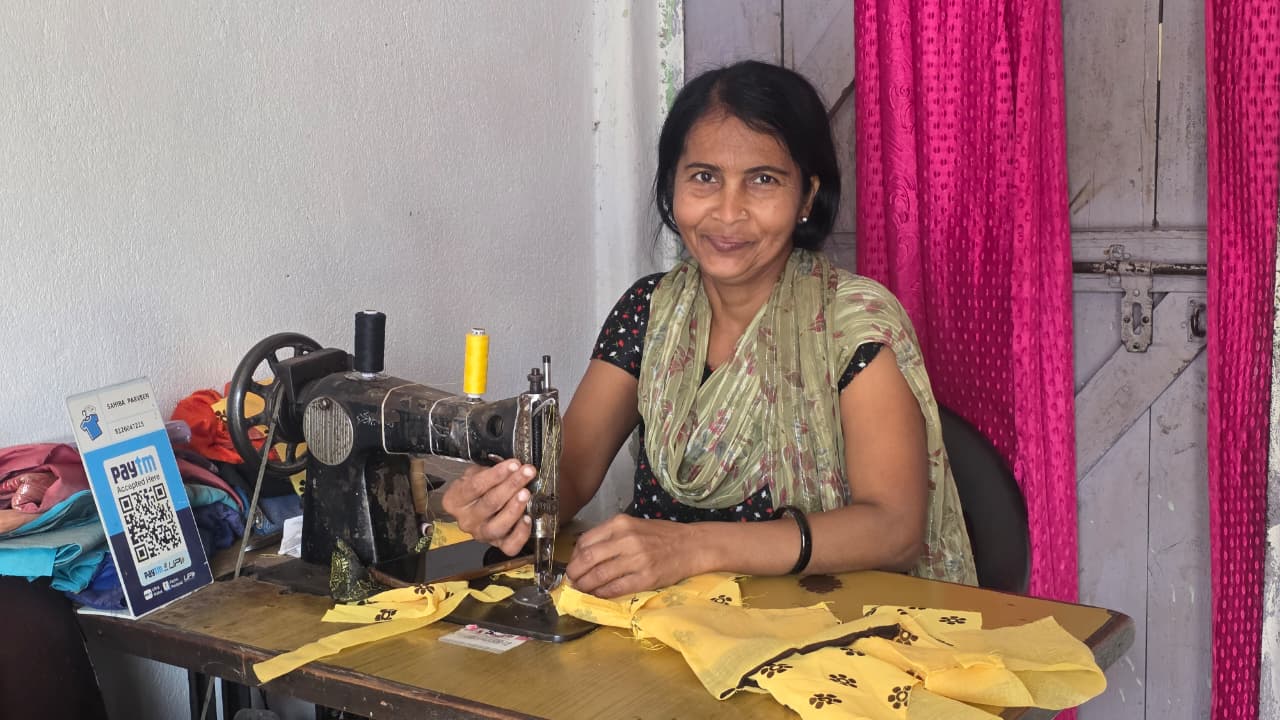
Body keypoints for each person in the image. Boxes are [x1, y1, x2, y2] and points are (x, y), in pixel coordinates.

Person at [443, 60, 976, 598]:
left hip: (819, 623)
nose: (728, 212)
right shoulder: (649, 313)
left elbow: (894, 528)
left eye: (763, 180)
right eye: (704, 177)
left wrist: (694, 548)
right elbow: (572, 473)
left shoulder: (851, 327)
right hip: (659, 620)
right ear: (672, 184)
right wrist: (508, 503)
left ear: (808, 197)